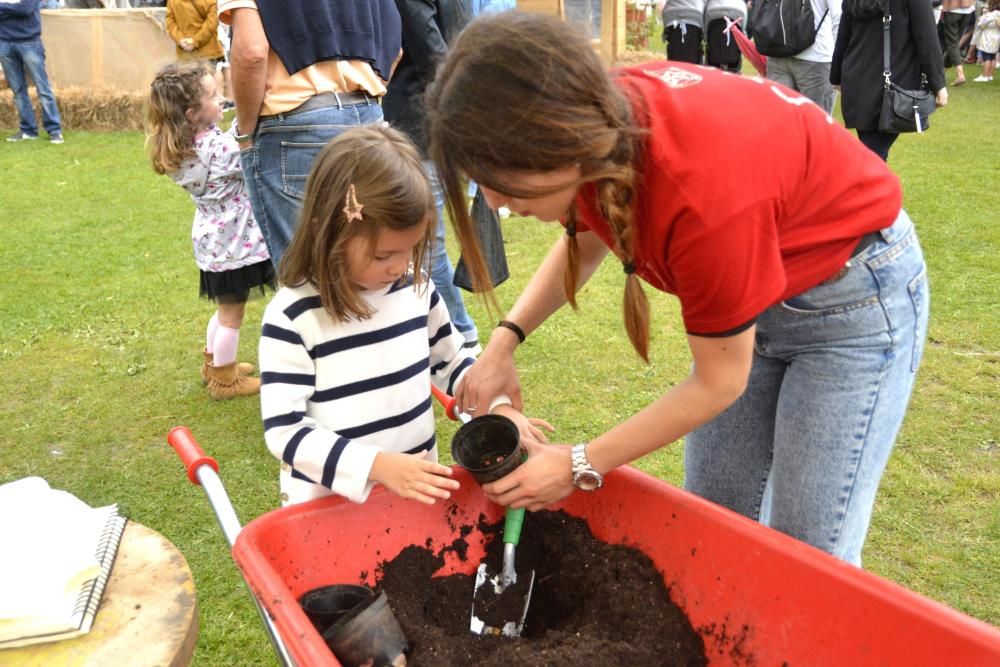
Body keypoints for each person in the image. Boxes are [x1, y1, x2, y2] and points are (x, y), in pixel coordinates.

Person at [426, 12, 930, 567]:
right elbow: (592, 233)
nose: (495, 202)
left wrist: (577, 463)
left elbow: (719, 380)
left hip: (851, 302)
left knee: (808, 552)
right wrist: (502, 345)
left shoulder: (703, 194)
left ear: (554, 143)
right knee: (714, 512)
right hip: (759, 294)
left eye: (499, 179)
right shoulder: (600, 129)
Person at [258, 124, 550, 507]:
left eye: (410, 249)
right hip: (330, 507)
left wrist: (500, 408)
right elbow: (286, 431)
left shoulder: (416, 289)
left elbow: (452, 363)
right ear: (329, 232)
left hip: (412, 496)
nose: (400, 267)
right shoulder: (293, 316)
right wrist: (376, 467)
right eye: (383, 255)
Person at [217, 0, 400, 269]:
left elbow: (252, 52)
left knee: (308, 280)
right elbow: (395, 48)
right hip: (367, 116)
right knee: (369, 269)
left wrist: (245, 131)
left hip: (296, 124)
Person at [147, 61, 275, 400]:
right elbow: (248, 150)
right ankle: (225, 380)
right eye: (214, 95)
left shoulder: (187, 147)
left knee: (223, 309)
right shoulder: (217, 151)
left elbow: (227, 141)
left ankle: (214, 362)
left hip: (212, 239)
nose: (222, 99)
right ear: (191, 113)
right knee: (233, 314)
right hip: (233, 240)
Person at [383, 0, 480, 353]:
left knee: (425, 244)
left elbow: (432, 52)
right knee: (427, 240)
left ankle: (460, 334)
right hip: (437, 117)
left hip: (420, 119)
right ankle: (452, 332)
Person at [831, 0, 947, 161]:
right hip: (891, 85)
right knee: (872, 158)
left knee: (870, 154)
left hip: (857, 80)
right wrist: (938, 83)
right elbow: (926, 37)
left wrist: (836, 75)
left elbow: (843, 35)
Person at [0, 0, 63, 143]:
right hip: (4, 42)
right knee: (18, 91)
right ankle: (28, 130)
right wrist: (14, 9)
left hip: (30, 42)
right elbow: (20, 10)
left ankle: (54, 130)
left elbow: (25, 10)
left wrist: (4, 8)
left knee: (43, 89)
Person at [765, 0, 842, 114]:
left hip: (778, 54)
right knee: (817, 125)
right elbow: (838, 19)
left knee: (782, 123)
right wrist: (840, 64)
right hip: (816, 57)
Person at [941, 0, 977, 85]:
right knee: (954, 43)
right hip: (968, 9)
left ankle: (960, 75)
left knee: (952, 43)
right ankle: (941, 73)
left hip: (952, 9)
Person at [969, 0, 1000, 81]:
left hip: (988, 37)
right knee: (993, 57)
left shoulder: (990, 15)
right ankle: (990, 75)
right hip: (997, 36)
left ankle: (985, 76)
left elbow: (981, 25)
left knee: (986, 57)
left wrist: (983, 15)